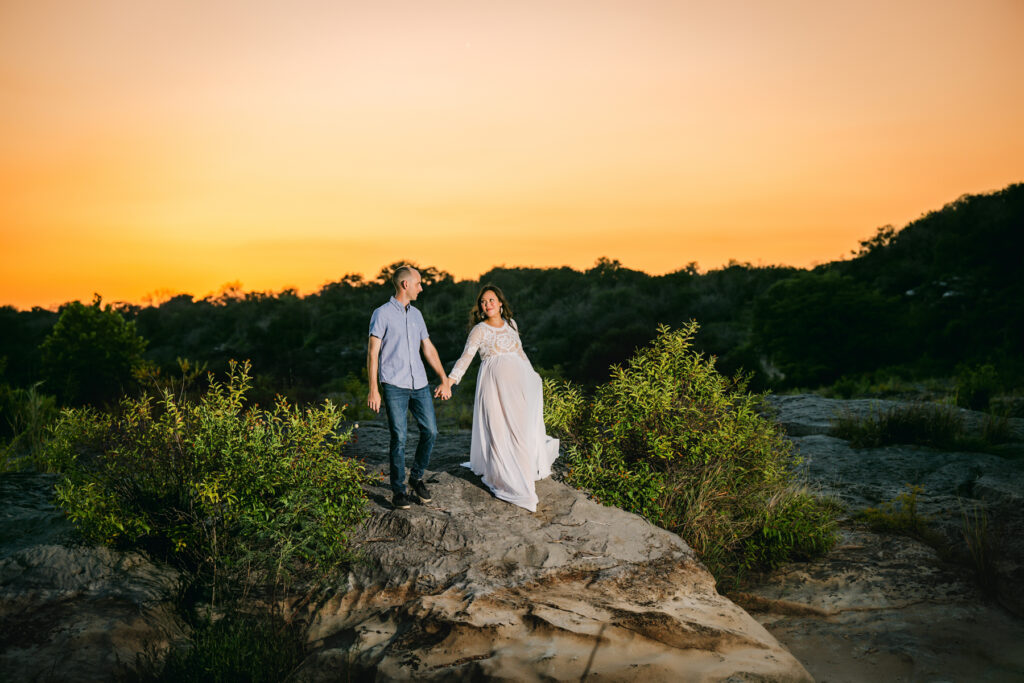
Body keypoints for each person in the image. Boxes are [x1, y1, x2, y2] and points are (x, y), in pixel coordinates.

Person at [447, 285, 559, 512]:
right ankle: (505, 480)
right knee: (498, 431)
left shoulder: (511, 325)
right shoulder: (479, 330)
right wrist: (450, 381)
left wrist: (533, 376)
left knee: (518, 431)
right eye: (483, 302)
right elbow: (466, 358)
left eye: (491, 300)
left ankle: (523, 474)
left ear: (500, 303)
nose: (486, 304)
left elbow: (520, 353)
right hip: (492, 386)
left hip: (519, 386)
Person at [367, 265, 452, 510]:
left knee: (431, 431)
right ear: (405, 284)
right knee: (400, 437)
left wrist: (443, 378)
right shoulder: (381, 313)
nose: (421, 287)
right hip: (394, 384)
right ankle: (398, 491)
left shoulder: (417, 315)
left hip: (420, 384)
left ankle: (416, 478)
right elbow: (373, 353)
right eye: (418, 283)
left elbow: (428, 347)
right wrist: (373, 389)